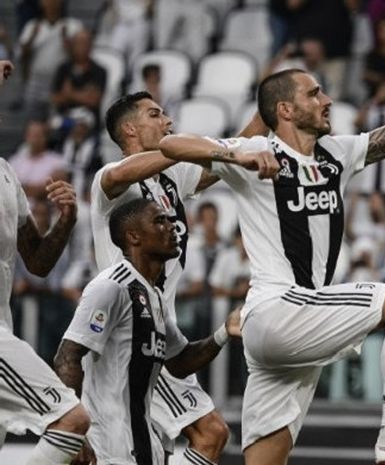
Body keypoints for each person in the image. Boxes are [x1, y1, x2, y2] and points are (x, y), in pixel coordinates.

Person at [159, 28, 385, 465]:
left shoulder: (336, 153)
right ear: (285, 109)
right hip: (278, 308)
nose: (327, 100)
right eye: (314, 93)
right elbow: (170, 144)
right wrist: (235, 156)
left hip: (290, 331)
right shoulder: (256, 151)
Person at [89, 91, 236, 465]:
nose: (168, 122)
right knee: (210, 433)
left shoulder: (169, 179)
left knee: (159, 451)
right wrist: (188, 149)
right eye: (156, 115)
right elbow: (120, 174)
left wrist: (264, 126)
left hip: (161, 327)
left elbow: (227, 158)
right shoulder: (112, 179)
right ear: (129, 129)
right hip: (127, 332)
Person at [54, 198, 238, 465]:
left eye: (169, 220)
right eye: (159, 221)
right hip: (108, 447)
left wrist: (223, 332)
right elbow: (66, 356)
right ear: (134, 236)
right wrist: (73, 432)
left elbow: (180, 361)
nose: (172, 226)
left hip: (141, 444)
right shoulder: (111, 287)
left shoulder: (154, 297)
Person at [0, 59, 91, 464]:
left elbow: (36, 261)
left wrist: (66, 221)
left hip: (5, 324)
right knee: (71, 418)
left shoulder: (5, 174)